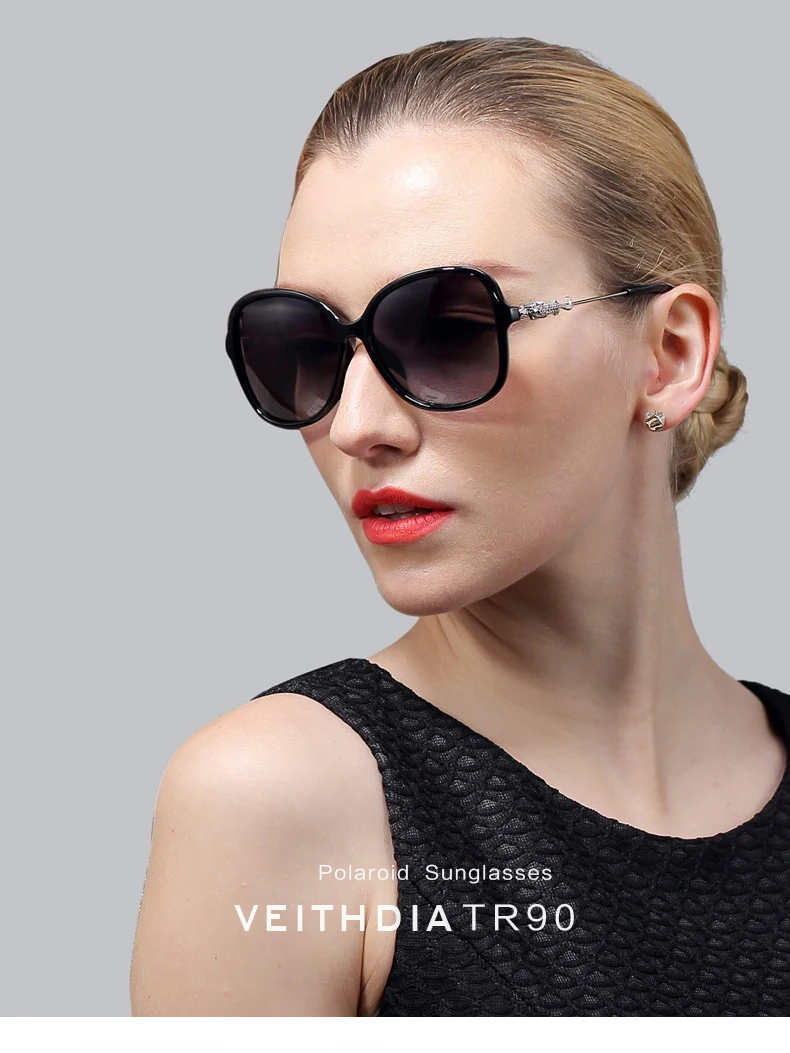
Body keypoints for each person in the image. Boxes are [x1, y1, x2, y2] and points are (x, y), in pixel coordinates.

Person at [130, 37, 790, 1017]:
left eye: (446, 329)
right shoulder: (276, 799)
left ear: (668, 355)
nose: (355, 426)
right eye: (305, 347)